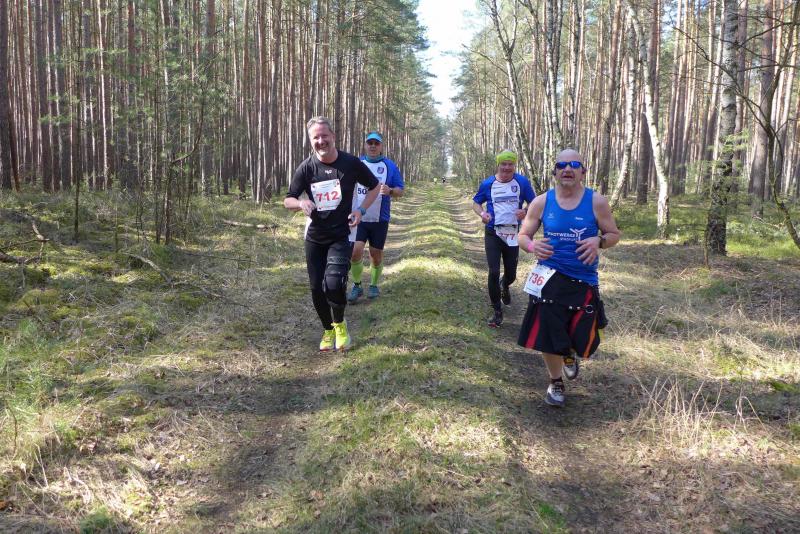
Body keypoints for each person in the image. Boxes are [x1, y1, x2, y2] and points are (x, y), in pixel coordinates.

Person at [517, 148, 621, 407]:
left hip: (583, 278)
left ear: (583, 172)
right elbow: (523, 236)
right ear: (554, 172)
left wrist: (598, 241)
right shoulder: (541, 202)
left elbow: (614, 234)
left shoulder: (596, 202)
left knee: (581, 334)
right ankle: (555, 382)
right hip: (548, 275)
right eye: (562, 165)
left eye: (574, 165)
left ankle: (569, 353)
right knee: (548, 332)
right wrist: (532, 246)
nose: (567, 169)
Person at [285, 117, 380, 352]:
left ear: (333, 137)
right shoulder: (306, 167)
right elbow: (288, 199)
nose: (320, 141)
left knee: (334, 283)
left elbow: (375, 187)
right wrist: (301, 203)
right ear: (311, 141)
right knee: (316, 288)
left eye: (324, 136)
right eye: (315, 137)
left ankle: (340, 325)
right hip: (315, 237)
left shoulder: (350, 163)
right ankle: (327, 330)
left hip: (341, 234)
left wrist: (360, 210)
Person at [472, 150, 536, 328]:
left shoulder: (521, 182)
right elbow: (476, 203)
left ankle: (505, 284)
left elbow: (534, 202)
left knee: (511, 274)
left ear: (514, 165)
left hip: (512, 233)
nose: (507, 168)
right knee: (493, 271)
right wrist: (483, 214)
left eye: (510, 164)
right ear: (498, 165)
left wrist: (525, 211)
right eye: (504, 164)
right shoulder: (488, 183)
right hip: (493, 233)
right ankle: (497, 311)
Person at [347, 131, 405, 302]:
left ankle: (373, 285)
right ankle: (357, 285)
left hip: (380, 219)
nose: (373, 146)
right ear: (365, 145)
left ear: (381, 146)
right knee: (355, 252)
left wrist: (391, 191)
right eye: (370, 143)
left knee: (375, 255)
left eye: (376, 143)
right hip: (358, 217)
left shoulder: (389, 166)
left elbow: (400, 190)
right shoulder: (357, 164)